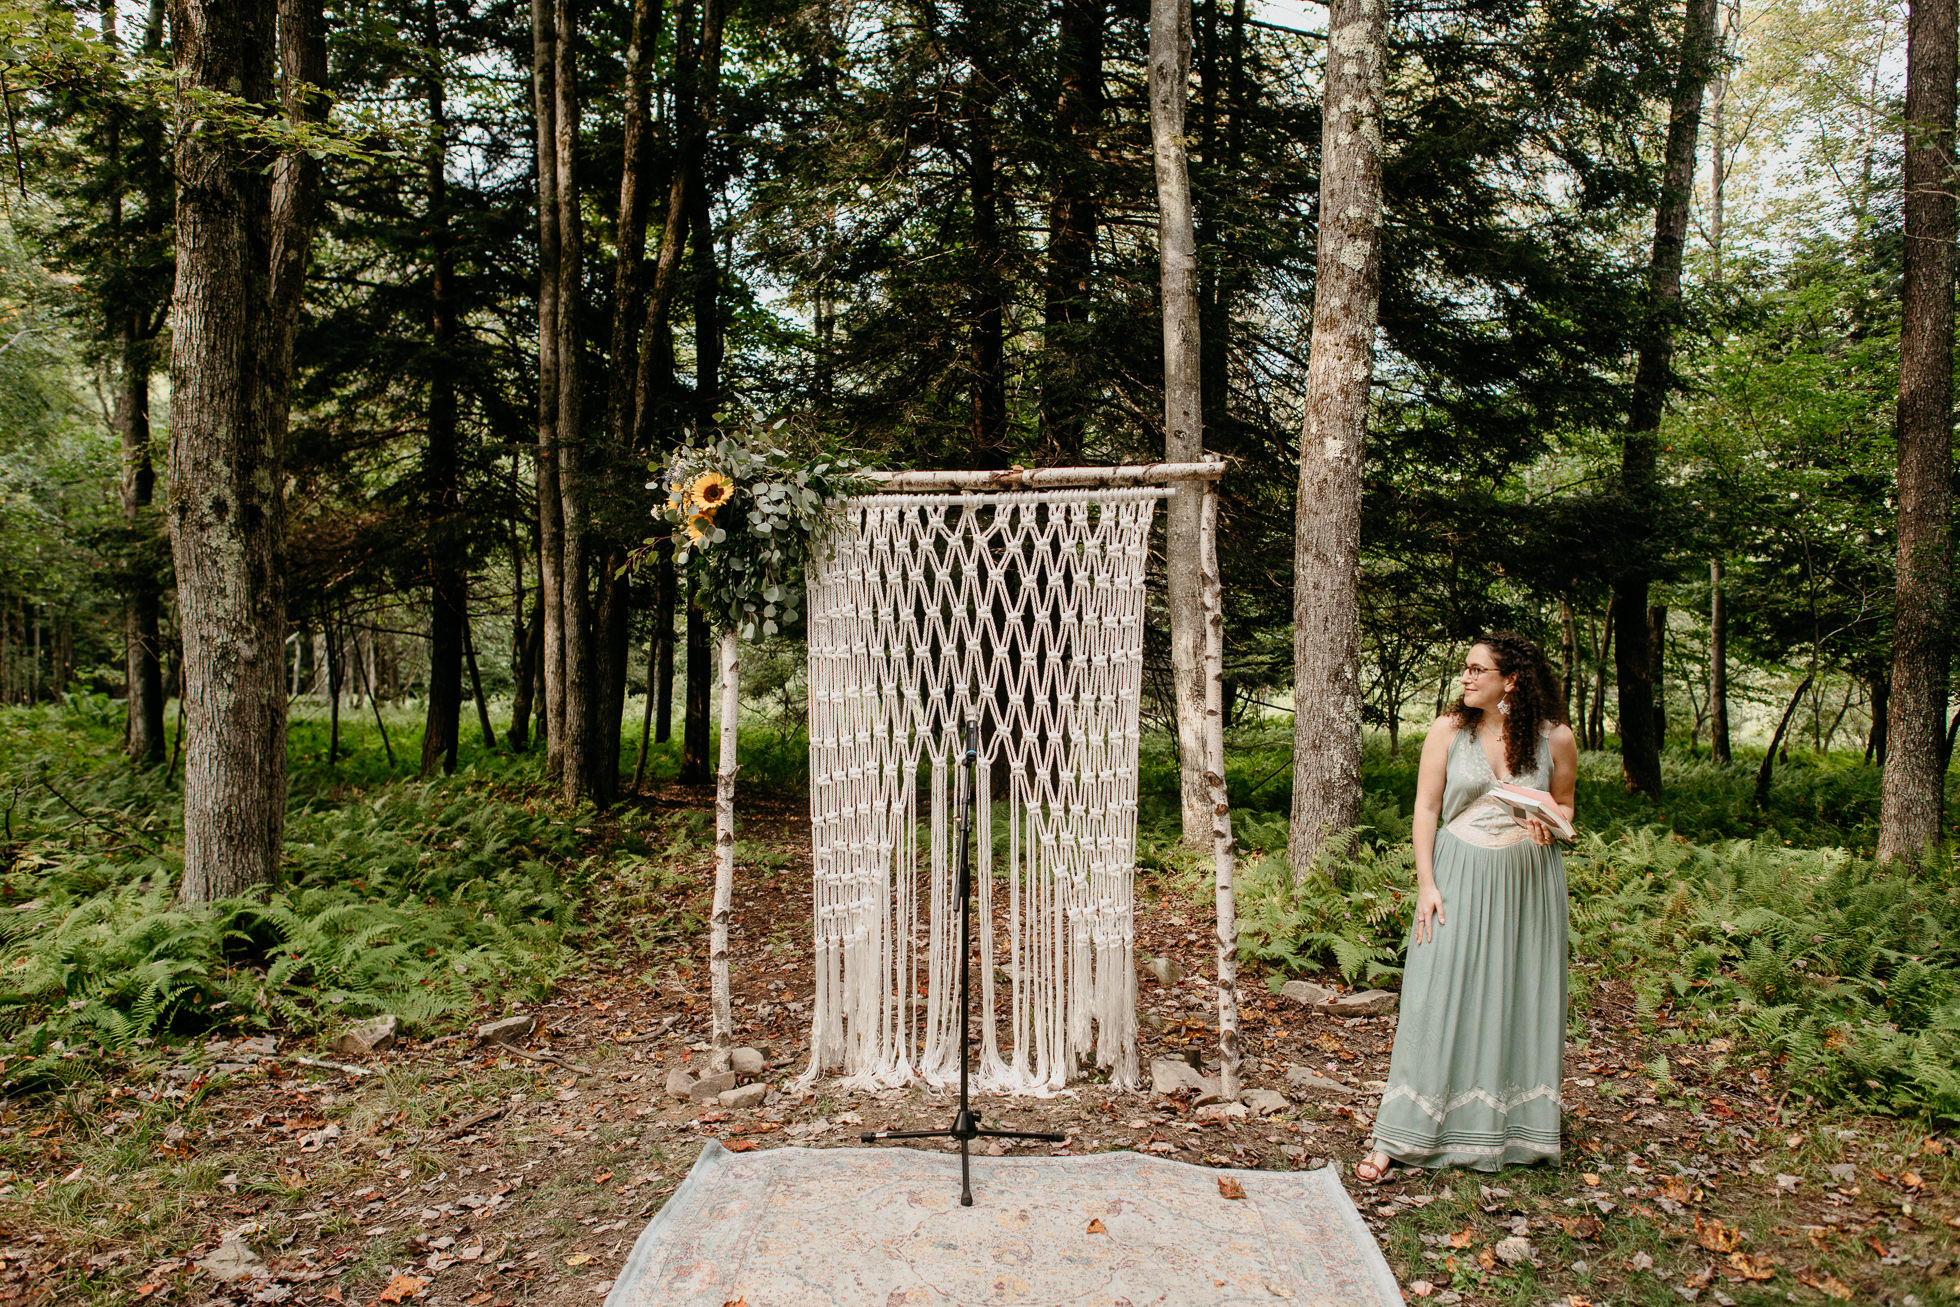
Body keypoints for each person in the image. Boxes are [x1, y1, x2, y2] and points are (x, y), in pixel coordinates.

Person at [1355, 631, 1578, 1181]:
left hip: (1527, 881)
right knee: (1438, 992)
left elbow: (1568, 805)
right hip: (1456, 873)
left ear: (1513, 680)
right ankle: (1399, 1134)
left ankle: (1510, 1133)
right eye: (1466, 668)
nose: (1466, 678)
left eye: (1478, 669)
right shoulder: (1449, 730)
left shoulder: (1556, 738)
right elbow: (1426, 809)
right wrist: (1427, 884)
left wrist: (1550, 824)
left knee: (1515, 992)